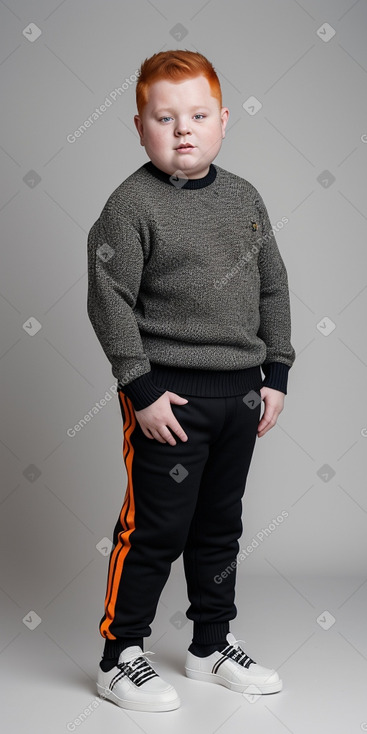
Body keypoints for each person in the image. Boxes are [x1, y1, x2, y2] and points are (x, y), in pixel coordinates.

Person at [87, 49, 296, 713]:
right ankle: (120, 654)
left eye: (198, 115)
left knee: (219, 526)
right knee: (154, 527)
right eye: (165, 117)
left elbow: (272, 284)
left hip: (239, 393)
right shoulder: (131, 204)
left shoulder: (244, 198)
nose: (183, 129)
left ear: (223, 121)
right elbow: (108, 298)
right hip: (167, 398)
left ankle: (210, 644)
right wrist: (138, 388)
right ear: (139, 126)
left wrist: (277, 370)